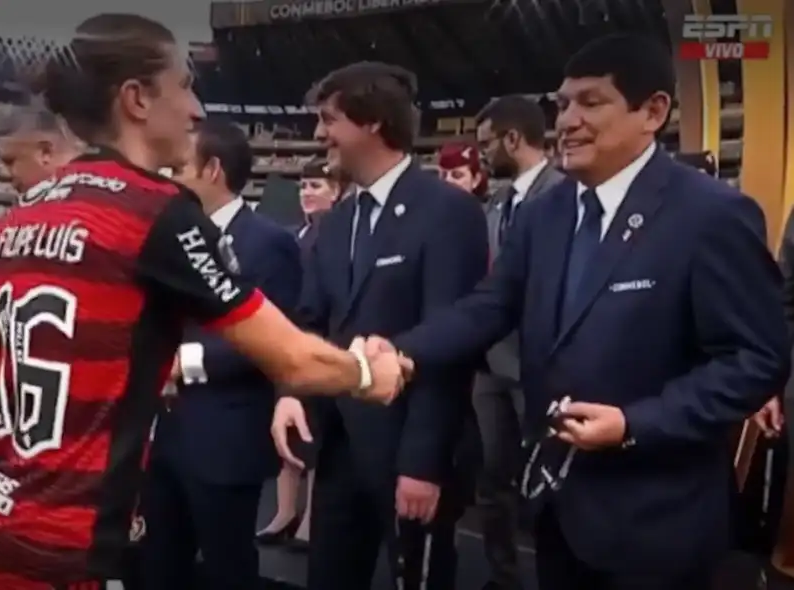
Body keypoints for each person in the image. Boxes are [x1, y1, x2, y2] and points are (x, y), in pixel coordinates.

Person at [0, 14, 408, 589]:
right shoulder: (155, 210)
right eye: (184, 85)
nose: (196, 109)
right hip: (66, 557)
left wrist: (21, 480)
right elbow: (292, 359)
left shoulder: (17, 219)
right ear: (136, 99)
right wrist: (369, 372)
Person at [365, 34, 789, 590]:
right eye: (563, 104)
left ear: (653, 112)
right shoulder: (544, 216)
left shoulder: (712, 216)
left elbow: (756, 359)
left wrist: (635, 425)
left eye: (591, 102)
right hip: (560, 513)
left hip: (658, 522)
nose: (567, 121)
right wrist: (403, 351)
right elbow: (489, 306)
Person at [270, 61, 488, 590]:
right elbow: (311, 320)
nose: (319, 134)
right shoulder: (338, 220)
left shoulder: (448, 211)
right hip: (338, 449)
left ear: (371, 121)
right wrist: (291, 392)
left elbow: (450, 344)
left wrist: (423, 464)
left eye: (329, 119)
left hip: (408, 453)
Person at [143, 119, 302, 590]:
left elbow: (272, 338)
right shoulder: (173, 236)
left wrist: (180, 363)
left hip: (226, 439)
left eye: (179, 168)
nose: (170, 179)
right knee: (158, 566)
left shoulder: (269, 243)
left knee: (227, 570)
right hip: (166, 435)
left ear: (212, 170)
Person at [472, 95, 565, 590]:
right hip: (491, 363)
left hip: (543, 366)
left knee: (553, 484)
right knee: (493, 480)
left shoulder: (568, 196)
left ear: (512, 139)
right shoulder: (496, 203)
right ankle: (502, 577)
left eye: (486, 143)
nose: (481, 154)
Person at [258, 156, 345, 549]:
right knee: (286, 430)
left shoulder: (337, 234)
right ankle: (284, 512)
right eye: (304, 186)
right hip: (286, 334)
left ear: (336, 191)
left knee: (315, 432)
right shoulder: (293, 235)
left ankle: (311, 520)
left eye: (316, 186)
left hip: (320, 340)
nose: (307, 193)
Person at [0, 105, 82, 314]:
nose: (5, 174)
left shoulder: (98, 207)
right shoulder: (20, 215)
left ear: (45, 152)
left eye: (10, 162)